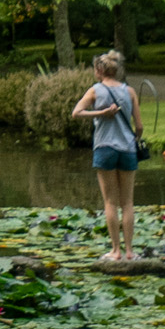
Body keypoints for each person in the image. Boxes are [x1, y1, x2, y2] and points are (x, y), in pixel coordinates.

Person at [68, 50, 142, 258]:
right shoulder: (130, 92)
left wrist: (101, 113)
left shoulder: (95, 91)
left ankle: (115, 250)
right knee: (127, 202)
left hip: (105, 148)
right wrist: (134, 138)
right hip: (127, 149)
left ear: (99, 70)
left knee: (110, 202)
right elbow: (139, 126)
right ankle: (129, 251)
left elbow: (76, 113)